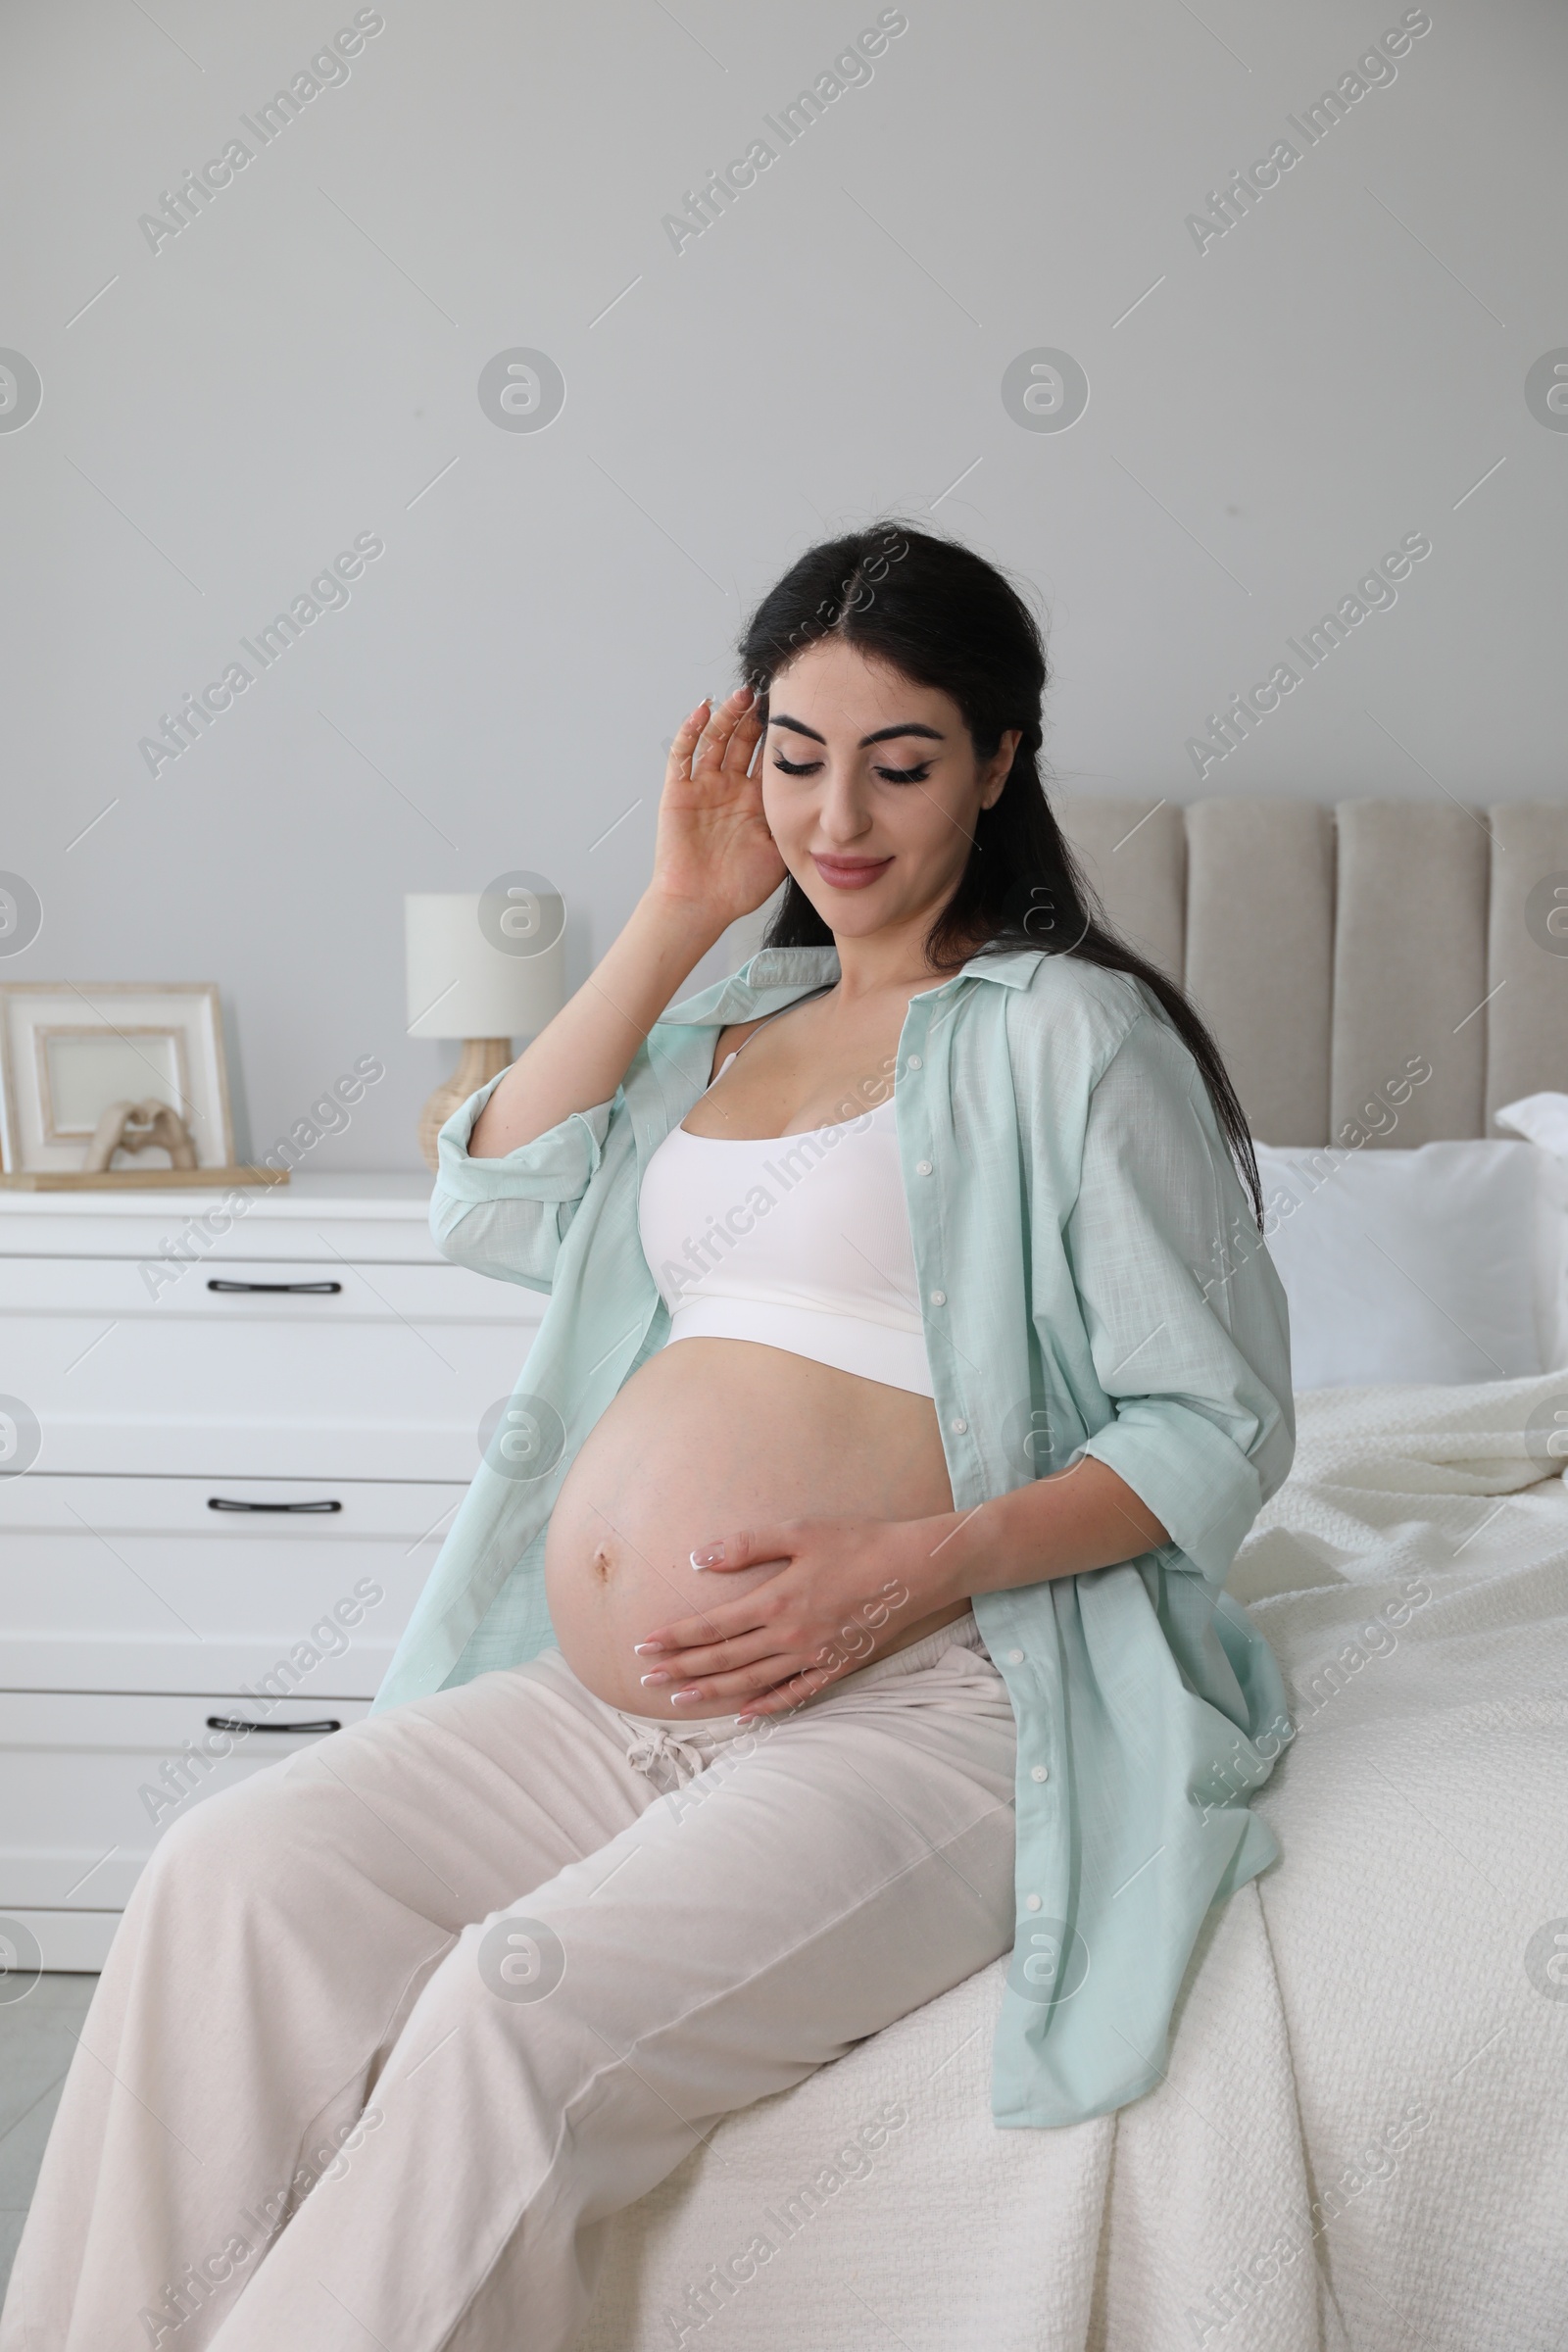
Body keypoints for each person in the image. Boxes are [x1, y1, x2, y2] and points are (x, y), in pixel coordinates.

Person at [1, 522, 1295, 2352]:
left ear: (1000, 765)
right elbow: (494, 1197)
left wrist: (908, 1565)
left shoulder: (1070, 1040)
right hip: (618, 1707)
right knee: (228, 1880)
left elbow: (1216, 1426)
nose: (839, 816)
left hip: (940, 1706)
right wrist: (680, 910)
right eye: (797, 755)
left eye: (901, 763)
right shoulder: (725, 1022)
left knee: (507, 2016)